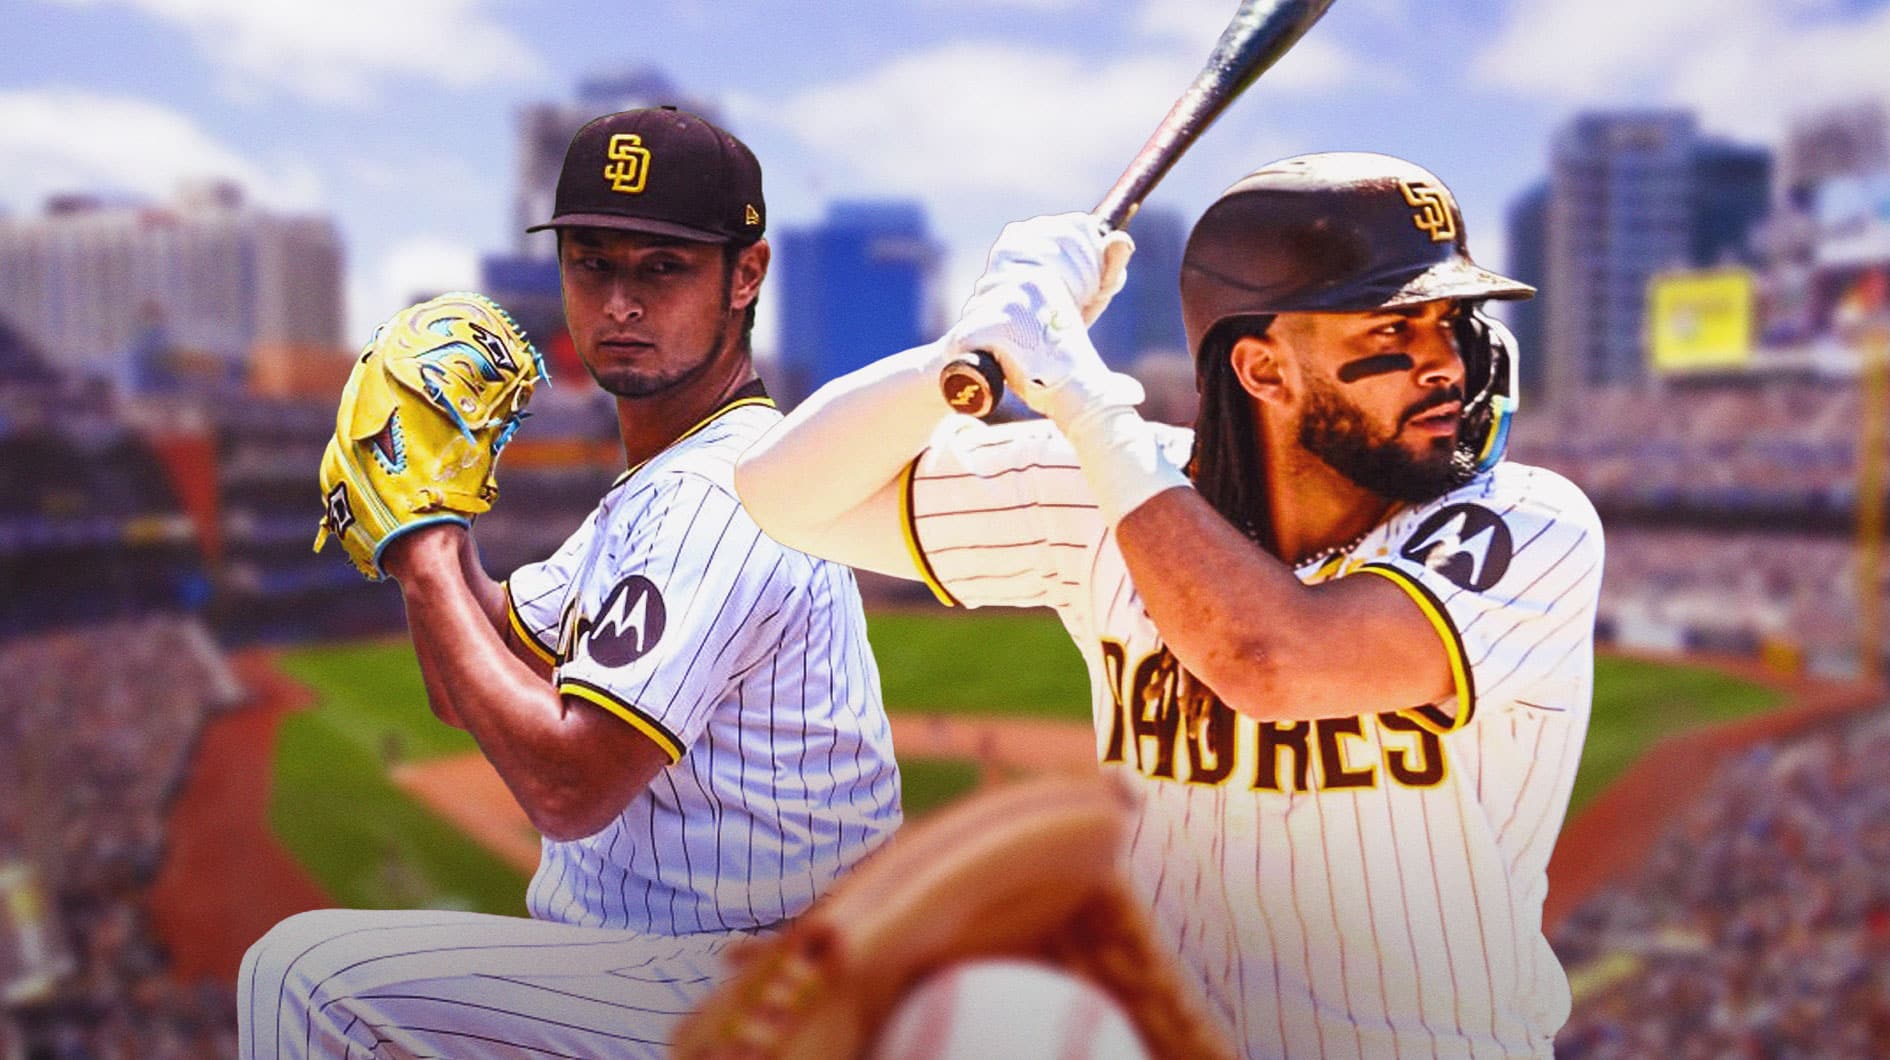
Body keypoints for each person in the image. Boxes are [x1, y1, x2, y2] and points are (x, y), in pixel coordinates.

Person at [735, 152, 1604, 1056]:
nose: (1445, 363)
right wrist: (970, 347)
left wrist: (1083, 399)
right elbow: (784, 494)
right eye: (1393, 327)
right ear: (1262, 370)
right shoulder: (1107, 486)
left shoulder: (1523, 525)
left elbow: (1269, 661)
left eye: (1453, 322)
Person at [240, 107, 901, 1059]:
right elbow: (467, 679)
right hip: (665, 969)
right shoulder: (653, 488)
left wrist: (418, 549)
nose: (620, 302)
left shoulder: (725, 489)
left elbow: (567, 782)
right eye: (594, 263)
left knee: (305, 977)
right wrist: (440, 512)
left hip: (750, 984)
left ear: (744, 276)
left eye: (662, 268)